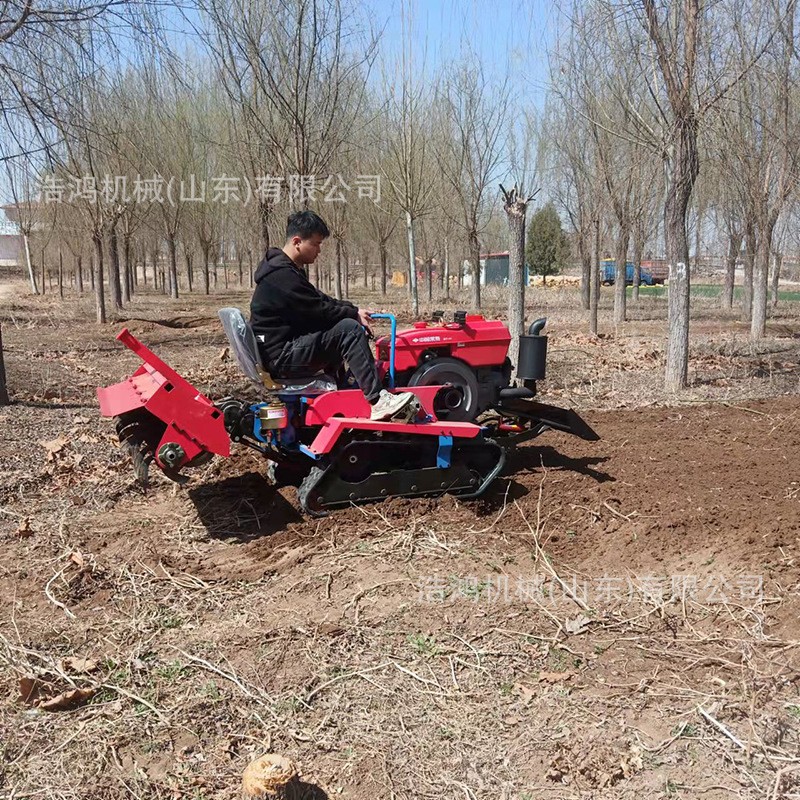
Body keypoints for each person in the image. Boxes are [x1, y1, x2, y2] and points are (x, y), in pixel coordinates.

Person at [250, 210, 415, 421]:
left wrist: (354, 310)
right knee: (349, 330)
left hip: (281, 350)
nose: (319, 250)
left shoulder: (284, 270)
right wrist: (353, 316)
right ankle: (377, 401)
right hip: (281, 356)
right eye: (316, 244)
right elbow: (319, 310)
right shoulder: (281, 275)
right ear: (297, 241)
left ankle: (345, 388)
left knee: (340, 326)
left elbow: (318, 299)